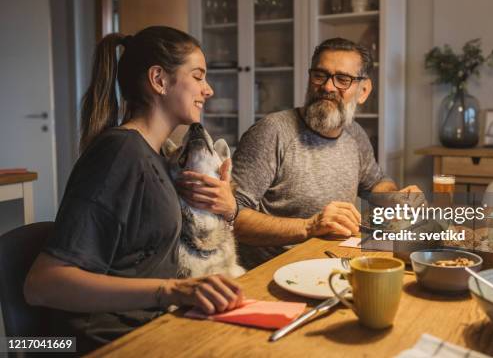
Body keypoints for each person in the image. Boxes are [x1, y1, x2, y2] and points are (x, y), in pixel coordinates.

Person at [24, 26, 243, 353]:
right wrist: (171, 290)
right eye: (198, 76)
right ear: (159, 80)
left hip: (154, 326)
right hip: (104, 341)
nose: (208, 89)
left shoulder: (154, 154)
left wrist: (224, 206)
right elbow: (42, 285)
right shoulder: (120, 154)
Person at [230, 37, 421, 267]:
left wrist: (397, 199)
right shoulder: (272, 132)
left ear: (363, 91)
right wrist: (309, 226)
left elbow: (375, 184)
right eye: (320, 75)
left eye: (343, 79)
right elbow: (231, 218)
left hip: (333, 266)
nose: (328, 87)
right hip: (271, 275)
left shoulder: (355, 134)